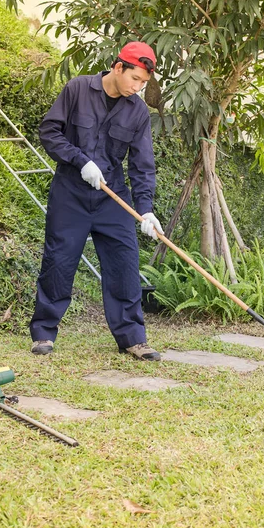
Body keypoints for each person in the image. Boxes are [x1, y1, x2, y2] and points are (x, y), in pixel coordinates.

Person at [30, 41, 164, 361]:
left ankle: (133, 337)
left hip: (112, 198)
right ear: (118, 68)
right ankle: (44, 333)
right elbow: (50, 132)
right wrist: (79, 160)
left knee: (124, 264)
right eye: (135, 79)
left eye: (144, 84)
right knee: (59, 262)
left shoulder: (138, 113)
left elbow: (143, 165)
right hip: (70, 194)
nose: (138, 88)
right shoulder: (77, 89)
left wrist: (145, 209)